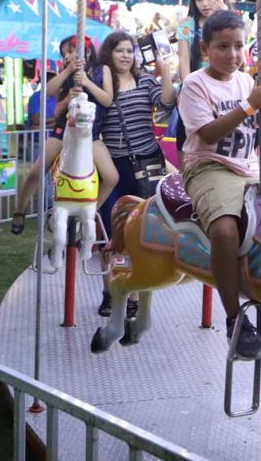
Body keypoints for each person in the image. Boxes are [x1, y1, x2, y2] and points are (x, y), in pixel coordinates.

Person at [177, 10, 261, 359]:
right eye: (223, 46)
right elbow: (208, 133)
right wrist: (250, 106)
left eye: (239, 46)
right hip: (208, 167)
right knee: (224, 231)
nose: (233, 55)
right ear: (205, 48)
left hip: (248, 166)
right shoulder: (195, 84)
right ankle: (235, 319)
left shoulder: (247, 81)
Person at [92, 30, 175, 316]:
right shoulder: (103, 82)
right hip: (114, 164)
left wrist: (165, 72)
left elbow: (165, 104)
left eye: (129, 50)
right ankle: (107, 291)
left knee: (140, 235)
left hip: (145, 163)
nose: (125, 55)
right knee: (109, 232)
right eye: (119, 50)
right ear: (109, 54)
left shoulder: (144, 80)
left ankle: (134, 297)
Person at [10, 36, 101, 234]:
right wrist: (68, 73)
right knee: (36, 170)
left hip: (89, 133)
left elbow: (107, 98)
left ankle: (91, 213)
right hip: (64, 130)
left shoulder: (99, 72)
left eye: (71, 51)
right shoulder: (67, 76)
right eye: (64, 54)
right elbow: (48, 93)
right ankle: (20, 210)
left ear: (85, 51)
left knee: (108, 175)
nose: (67, 56)